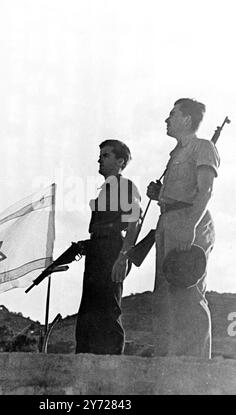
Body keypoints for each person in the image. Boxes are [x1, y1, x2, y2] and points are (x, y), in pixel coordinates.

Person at [147, 98, 220, 358]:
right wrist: (160, 195)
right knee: (165, 294)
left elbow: (206, 189)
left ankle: (195, 366)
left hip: (190, 219)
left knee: (187, 291)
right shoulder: (177, 153)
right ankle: (169, 360)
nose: (167, 119)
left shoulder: (203, 146)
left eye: (172, 114)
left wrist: (190, 225)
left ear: (187, 119)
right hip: (169, 219)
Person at [75, 139, 141, 354]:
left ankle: (110, 364)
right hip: (97, 250)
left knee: (107, 309)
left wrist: (123, 257)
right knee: (89, 309)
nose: (99, 160)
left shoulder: (125, 186)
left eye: (105, 155)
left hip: (112, 250)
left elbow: (134, 223)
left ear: (120, 161)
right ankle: (85, 358)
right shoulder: (107, 189)